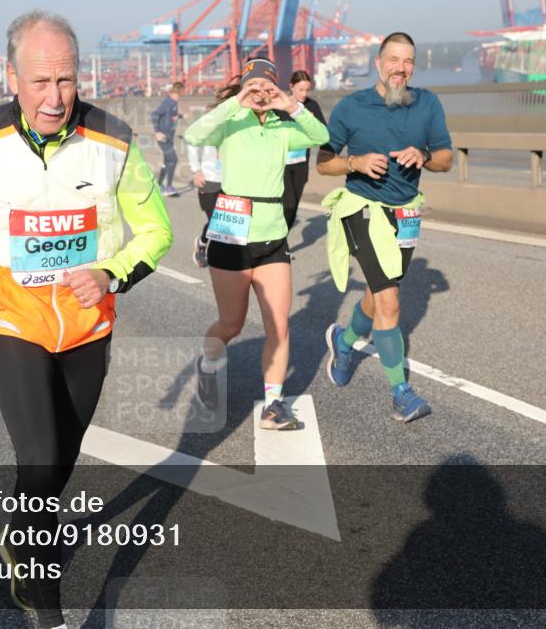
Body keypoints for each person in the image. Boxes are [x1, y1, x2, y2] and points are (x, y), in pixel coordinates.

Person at [0, 10, 171, 629]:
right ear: (12, 78)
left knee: (57, 466)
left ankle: (21, 533)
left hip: (87, 323)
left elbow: (157, 230)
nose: (54, 98)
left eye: (66, 80)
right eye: (40, 82)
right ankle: (46, 602)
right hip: (10, 317)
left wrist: (110, 273)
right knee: (40, 457)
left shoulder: (113, 141)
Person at [316, 32, 453, 423]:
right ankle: (400, 393)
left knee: (377, 298)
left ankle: (344, 341)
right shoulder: (352, 107)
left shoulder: (427, 103)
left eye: (408, 61)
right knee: (390, 300)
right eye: (394, 59)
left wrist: (423, 155)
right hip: (362, 209)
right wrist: (354, 163)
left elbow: (445, 158)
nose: (401, 68)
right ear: (378, 63)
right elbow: (323, 163)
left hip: (405, 212)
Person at [184, 57, 328, 430]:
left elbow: (321, 137)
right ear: (244, 87)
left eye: (267, 86)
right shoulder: (230, 122)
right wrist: (237, 102)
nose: (261, 93)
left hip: (272, 236)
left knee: (278, 326)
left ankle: (273, 405)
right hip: (231, 236)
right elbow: (194, 135)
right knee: (231, 323)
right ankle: (207, 366)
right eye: (254, 86)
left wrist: (291, 105)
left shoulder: (284, 127)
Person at [281, 70, 326, 231]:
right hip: (281, 164)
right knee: (288, 204)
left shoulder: (311, 105)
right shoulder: (281, 105)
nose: (304, 94)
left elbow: (323, 131)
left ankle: (281, 239)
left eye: (307, 90)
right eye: (300, 90)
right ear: (291, 86)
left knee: (293, 207)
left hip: (301, 163)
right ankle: (277, 240)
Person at [186, 142, 221, 268]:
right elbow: (192, 141)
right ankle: (202, 243)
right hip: (209, 178)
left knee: (229, 220)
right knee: (215, 221)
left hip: (232, 179)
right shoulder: (207, 127)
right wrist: (196, 170)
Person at [150, 81, 184, 196]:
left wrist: (181, 116)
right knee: (173, 159)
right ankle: (169, 187)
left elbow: (170, 116)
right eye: (182, 93)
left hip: (169, 138)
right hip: (163, 138)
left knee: (167, 161)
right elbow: (154, 115)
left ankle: (159, 185)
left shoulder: (173, 103)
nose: (182, 95)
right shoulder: (168, 102)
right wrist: (157, 132)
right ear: (179, 92)